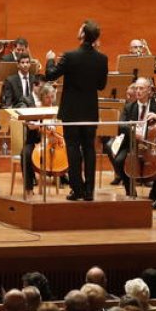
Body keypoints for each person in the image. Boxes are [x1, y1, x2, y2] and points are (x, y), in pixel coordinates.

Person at [44, 19, 109, 201]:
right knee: (89, 148)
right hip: (90, 111)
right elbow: (101, 85)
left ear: (82, 35)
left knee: (73, 148)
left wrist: (49, 60)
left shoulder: (70, 56)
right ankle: (89, 191)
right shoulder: (102, 59)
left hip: (71, 111)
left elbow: (50, 75)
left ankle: (77, 190)